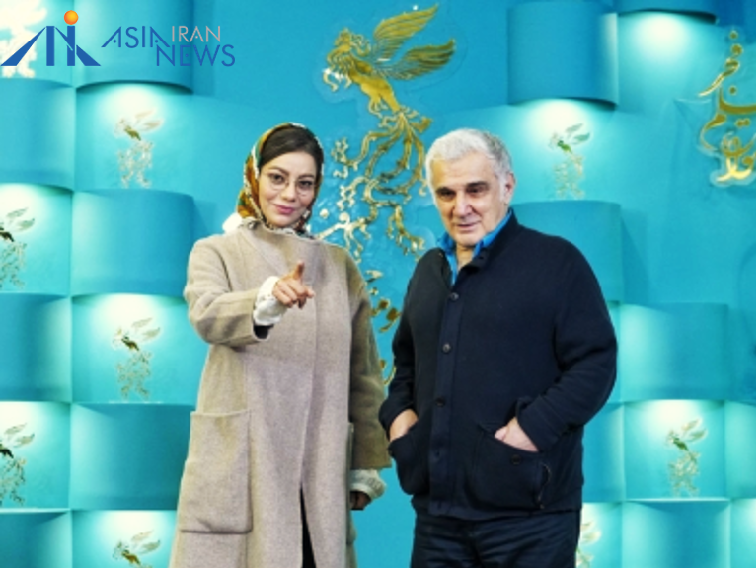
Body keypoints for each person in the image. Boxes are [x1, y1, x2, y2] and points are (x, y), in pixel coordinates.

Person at [379, 128, 617, 568]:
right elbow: (406, 362)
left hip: (530, 517)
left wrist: (532, 428)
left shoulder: (557, 262)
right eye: (446, 193)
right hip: (438, 516)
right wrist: (397, 417)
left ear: (507, 186)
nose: (461, 207)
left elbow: (595, 363)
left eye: (476, 190)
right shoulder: (429, 269)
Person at [170, 123, 390, 568]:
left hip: (319, 474)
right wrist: (265, 301)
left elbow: (363, 372)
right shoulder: (216, 251)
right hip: (245, 469)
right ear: (254, 175)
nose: (290, 194)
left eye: (304, 183)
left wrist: (365, 462)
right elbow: (207, 313)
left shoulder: (338, 266)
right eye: (277, 177)